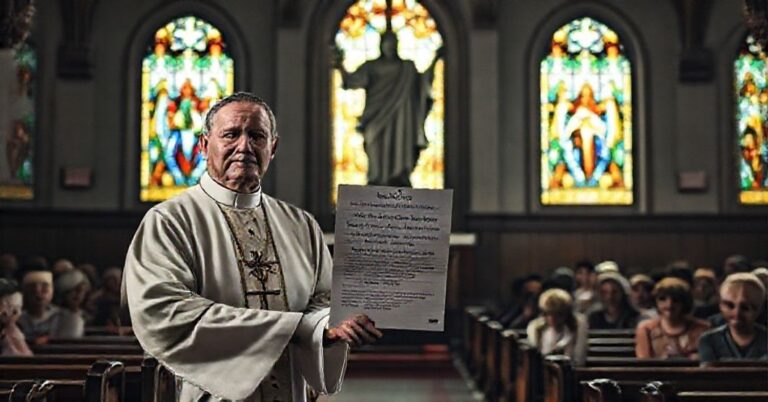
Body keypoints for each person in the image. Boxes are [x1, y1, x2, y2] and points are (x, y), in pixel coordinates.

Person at [123, 92, 382, 402]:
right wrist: (295, 327)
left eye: (256, 136)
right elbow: (162, 312)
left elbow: (323, 299)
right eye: (231, 134)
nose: (244, 146)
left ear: (272, 148)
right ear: (204, 146)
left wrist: (330, 325)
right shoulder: (169, 221)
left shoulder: (301, 225)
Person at [334, 29, 442, 186]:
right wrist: (339, 65)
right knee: (374, 148)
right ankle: (376, 181)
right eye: (387, 43)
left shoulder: (407, 68)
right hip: (375, 118)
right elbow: (351, 81)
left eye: (393, 43)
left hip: (401, 119)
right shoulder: (371, 66)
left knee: (400, 149)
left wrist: (436, 60)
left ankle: (399, 180)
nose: (390, 46)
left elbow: (423, 83)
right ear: (381, 45)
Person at [698, 273, 767, 365]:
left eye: (745, 307)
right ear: (721, 306)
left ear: (759, 309)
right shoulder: (709, 340)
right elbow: (708, 376)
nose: (737, 313)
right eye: (730, 306)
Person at [635, 278, 709, 359]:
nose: (669, 304)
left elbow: (708, 362)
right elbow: (643, 362)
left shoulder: (703, 328)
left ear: (684, 302)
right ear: (655, 302)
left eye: (676, 299)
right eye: (662, 299)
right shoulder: (646, 328)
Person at [526, 288, 588, 366]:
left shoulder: (577, 324)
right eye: (548, 313)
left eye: (557, 314)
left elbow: (579, 359)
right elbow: (535, 358)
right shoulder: (536, 328)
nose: (552, 318)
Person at [17, 268, 62, 344]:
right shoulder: (16, 318)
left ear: (52, 290)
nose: (38, 292)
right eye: (32, 288)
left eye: (45, 287)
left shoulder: (64, 317)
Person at [54, 269, 90, 338]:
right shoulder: (53, 317)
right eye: (72, 290)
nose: (77, 295)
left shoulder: (89, 318)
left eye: (80, 291)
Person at [0, 279, 32, 356]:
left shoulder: (15, 330)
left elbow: (26, 356)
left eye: (18, 308)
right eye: (10, 307)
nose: (16, 313)